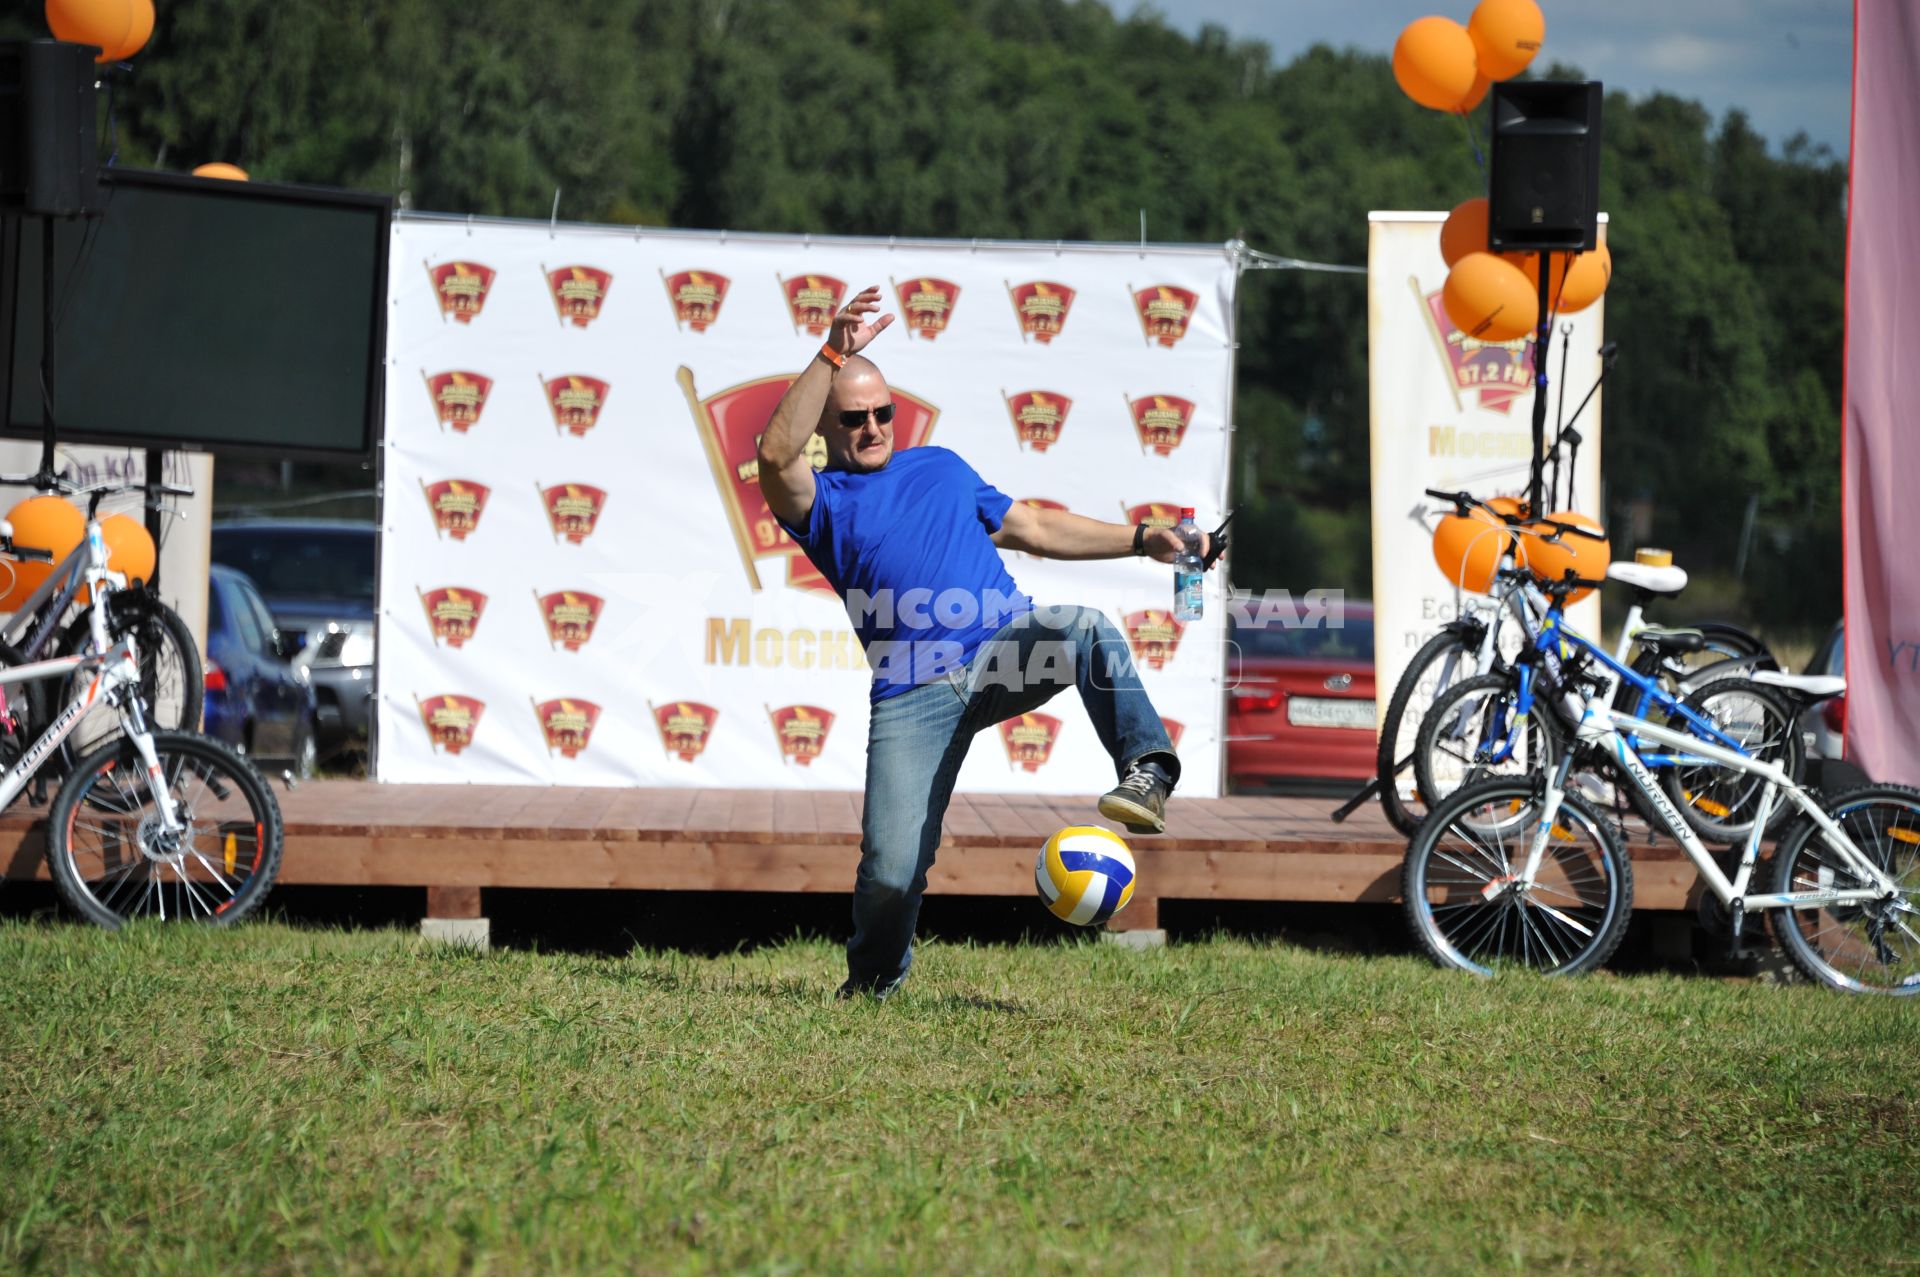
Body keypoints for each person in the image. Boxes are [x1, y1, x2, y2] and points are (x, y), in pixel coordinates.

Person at [758, 285, 1215, 999]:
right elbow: (773, 453)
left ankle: (1148, 770)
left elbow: (1032, 528)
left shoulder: (939, 466)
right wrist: (831, 351)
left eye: (885, 412)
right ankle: (872, 983)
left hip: (1003, 647)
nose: (876, 426)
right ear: (827, 424)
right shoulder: (820, 501)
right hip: (913, 694)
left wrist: (1140, 541)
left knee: (1085, 627)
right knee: (889, 868)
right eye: (855, 417)